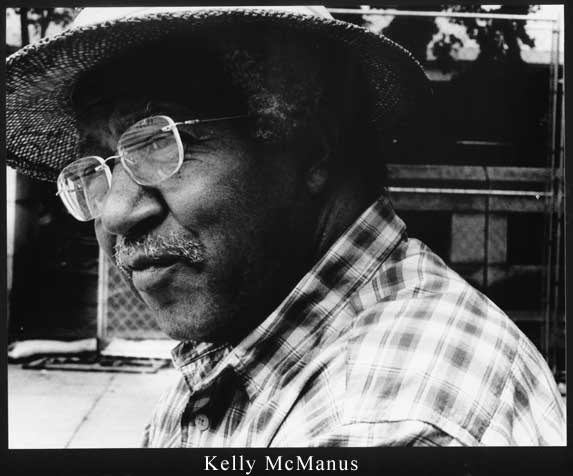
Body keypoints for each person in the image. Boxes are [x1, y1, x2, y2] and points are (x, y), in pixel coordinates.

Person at [6, 6, 565, 447]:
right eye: (94, 168)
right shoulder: (251, 344)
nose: (116, 214)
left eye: (159, 142)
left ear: (311, 146)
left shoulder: (387, 418)